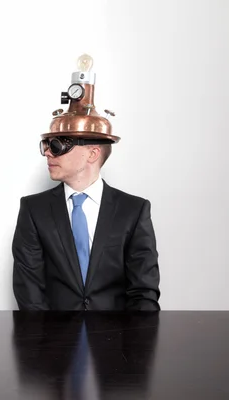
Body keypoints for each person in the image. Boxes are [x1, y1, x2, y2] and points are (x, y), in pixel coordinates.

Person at [12, 54, 160, 311]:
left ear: (93, 153)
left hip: (117, 345)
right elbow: (30, 295)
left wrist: (134, 347)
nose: (48, 153)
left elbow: (144, 293)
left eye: (58, 146)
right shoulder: (34, 210)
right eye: (47, 145)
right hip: (52, 344)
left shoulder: (133, 211)